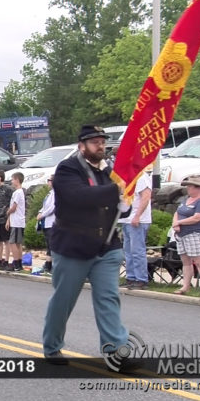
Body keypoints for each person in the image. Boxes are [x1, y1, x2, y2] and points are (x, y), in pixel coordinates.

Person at [42, 125, 134, 370]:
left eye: (102, 141)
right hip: (73, 247)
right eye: (95, 142)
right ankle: (52, 346)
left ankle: (116, 351)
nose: (100, 146)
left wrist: (126, 205)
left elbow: (118, 204)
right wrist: (116, 191)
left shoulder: (109, 172)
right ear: (81, 146)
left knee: (109, 299)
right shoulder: (67, 169)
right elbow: (80, 196)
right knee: (63, 300)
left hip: (106, 247)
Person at [172, 176, 200, 298]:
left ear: (198, 188)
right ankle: (185, 286)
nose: (188, 188)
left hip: (195, 234)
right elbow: (177, 212)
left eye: (190, 186)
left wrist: (180, 222)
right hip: (181, 234)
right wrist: (175, 223)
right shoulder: (186, 199)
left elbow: (197, 218)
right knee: (186, 262)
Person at [118, 170, 152, 289]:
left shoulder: (141, 177)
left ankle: (141, 279)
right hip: (127, 220)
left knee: (137, 251)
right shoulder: (127, 178)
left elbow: (146, 197)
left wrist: (137, 216)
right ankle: (131, 277)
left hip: (138, 220)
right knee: (128, 251)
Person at [5, 172, 26, 272]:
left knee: (13, 242)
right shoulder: (18, 192)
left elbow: (14, 207)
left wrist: (8, 212)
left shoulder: (18, 192)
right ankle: (19, 263)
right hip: (15, 221)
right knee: (17, 243)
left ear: (17, 180)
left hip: (17, 222)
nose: (11, 181)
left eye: (13, 179)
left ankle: (16, 263)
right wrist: (8, 220)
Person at [36, 175, 56, 273]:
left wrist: (43, 215)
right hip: (46, 223)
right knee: (48, 244)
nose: (48, 182)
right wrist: (40, 212)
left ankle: (52, 266)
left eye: (49, 180)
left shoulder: (56, 193)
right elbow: (45, 206)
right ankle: (48, 265)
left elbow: (52, 207)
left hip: (52, 222)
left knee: (52, 245)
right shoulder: (50, 193)